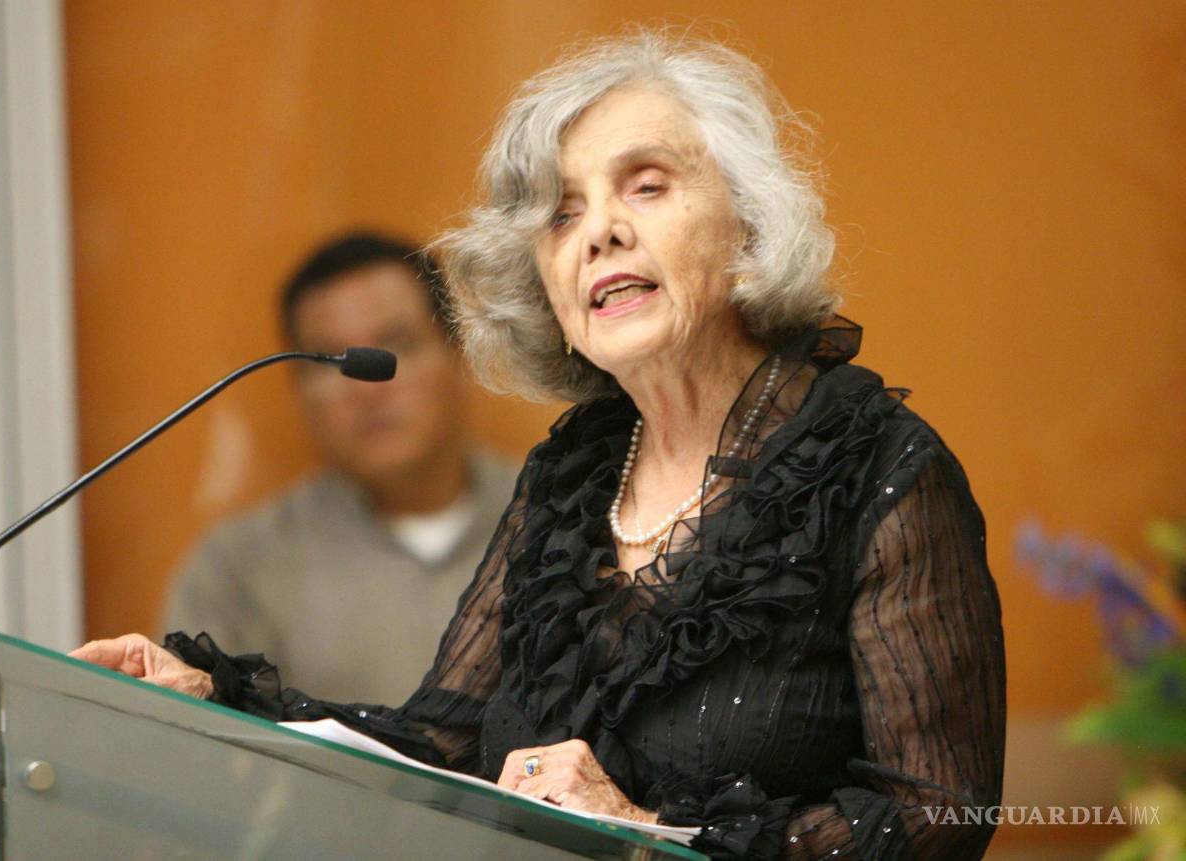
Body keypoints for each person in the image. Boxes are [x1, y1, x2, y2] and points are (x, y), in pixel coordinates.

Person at [75, 34, 1006, 861]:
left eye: (647, 185)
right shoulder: (571, 476)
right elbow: (441, 744)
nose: (598, 230)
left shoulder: (877, 468)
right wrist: (217, 695)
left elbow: (937, 814)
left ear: (747, 227)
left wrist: (656, 837)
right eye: (561, 214)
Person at [160, 232, 517, 704]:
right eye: (331, 362)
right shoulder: (238, 569)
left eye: (395, 346)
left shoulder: (566, 520)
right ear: (299, 393)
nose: (367, 387)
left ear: (460, 355)